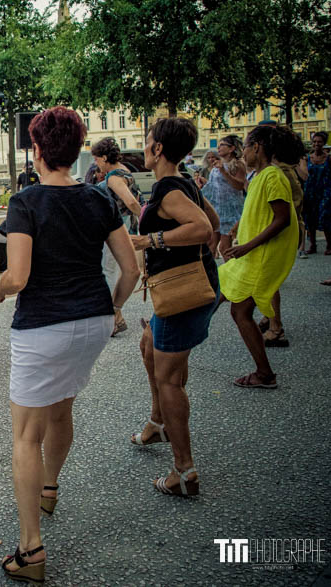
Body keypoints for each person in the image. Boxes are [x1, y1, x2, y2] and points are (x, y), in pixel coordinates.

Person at [0, 107, 138, 582]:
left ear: (36, 149)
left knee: (26, 435)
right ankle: (49, 488)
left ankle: (30, 549)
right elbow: (131, 269)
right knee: (61, 408)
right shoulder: (99, 197)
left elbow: (18, 276)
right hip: (93, 319)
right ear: (77, 150)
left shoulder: (26, 201)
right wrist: (114, 308)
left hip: (43, 326)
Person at [128, 118, 221, 503]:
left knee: (170, 379)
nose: (145, 148)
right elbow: (213, 222)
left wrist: (149, 240)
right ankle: (158, 423)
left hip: (181, 294)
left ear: (158, 149)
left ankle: (184, 471)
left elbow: (202, 229)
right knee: (148, 343)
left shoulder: (169, 188)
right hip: (188, 286)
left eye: (147, 141)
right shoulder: (183, 182)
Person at [219, 125, 298, 389]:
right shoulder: (260, 176)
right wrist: (238, 228)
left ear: (257, 147)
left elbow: (282, 219)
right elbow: (258, 212)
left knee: (238, 309)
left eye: (246, 147)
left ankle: (265, 374)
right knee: (225, 295)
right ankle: (168, 330)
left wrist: (247, 246)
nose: (243, 153)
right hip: (253, 255)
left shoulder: (273, 175)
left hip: (260, 256)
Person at [257, 128, 307, 347]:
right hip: (282, 231)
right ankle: (269, 317)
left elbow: (285, 210)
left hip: (279, 233)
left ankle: (276, 328)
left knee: (269, 280)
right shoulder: (281, 170)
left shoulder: (279, 172)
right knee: (267, 278)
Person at [90, 137, 142, 336]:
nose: (96, 164)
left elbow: (131, 202)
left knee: (108, 270)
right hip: (124, 225)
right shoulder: (125, 170)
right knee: (114, 269)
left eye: (96, 159)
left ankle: (112, 317)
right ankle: (115, 317)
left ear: (104, 158)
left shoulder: (113, 177)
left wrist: (143, 218)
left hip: (115, 229)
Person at [199, 135, 246, 258]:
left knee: (224, 247)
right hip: (217, 209)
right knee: (210, 244)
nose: (218, 148)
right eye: (218, 145)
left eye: (222, 145)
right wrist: (202, 185)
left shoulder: (237, 164)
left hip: (230, 211)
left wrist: (224, 172)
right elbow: (214, 187)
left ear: (231, 148)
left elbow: (239, 186)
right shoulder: (217, 164)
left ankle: (231, 269)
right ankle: (210, 269)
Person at [302, 131, 331, 255]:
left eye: (319, 142)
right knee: (310, 218)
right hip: (310, 191)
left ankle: (329, 245)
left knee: (325, 216)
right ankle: (313, 245)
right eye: (315, 141)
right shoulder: (307, 158)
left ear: (324, 143)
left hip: (325, 191)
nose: (317, 144)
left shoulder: (330, 158)